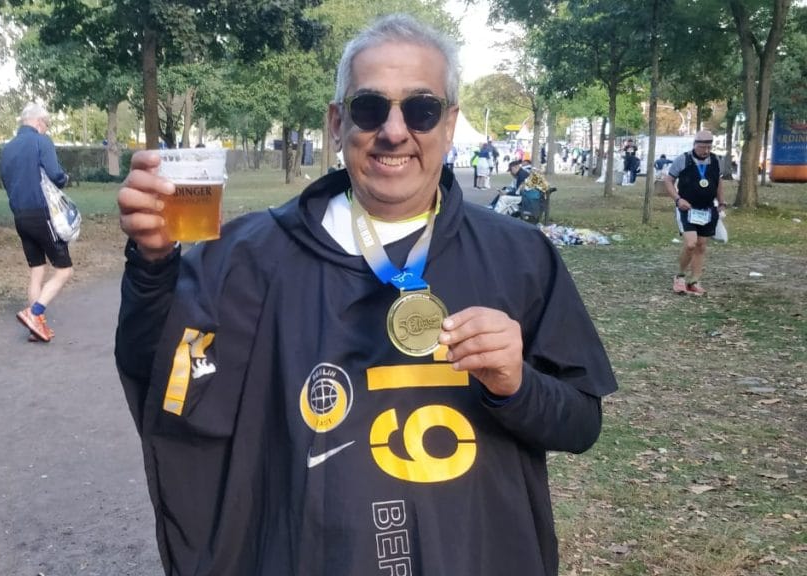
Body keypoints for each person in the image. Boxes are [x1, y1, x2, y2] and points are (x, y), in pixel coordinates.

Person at [115, 14, 617, 575]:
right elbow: (166, 381)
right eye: (370, 107)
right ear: (337, 122)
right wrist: (153, 264)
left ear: (450, 124)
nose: (394, 131)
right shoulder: (250, 256)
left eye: (421, 110)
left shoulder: (518, 256)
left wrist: (516, 384)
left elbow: (581, 422)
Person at [0, 102, 73, 342]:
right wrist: (64, 178)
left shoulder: (7, 148)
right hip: (42, 213)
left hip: (20, 215)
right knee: (64, 270)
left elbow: (6, 180)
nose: (46, 128)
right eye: (47, 124)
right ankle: (35, 312)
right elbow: (55, 174)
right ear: (39, 122)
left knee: (37, 270)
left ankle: (36, 328)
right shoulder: (41, 141)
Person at [664, 130, 725, 296]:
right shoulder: (683, 159)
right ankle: (680, 276)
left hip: (707, 209)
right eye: (702, 147)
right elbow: (668, 180)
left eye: (709, 147)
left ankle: (694, 281)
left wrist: (721, 202)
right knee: (691, 244)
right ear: (695, 144)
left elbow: (719, 182)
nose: (706, 150)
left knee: (701, 245)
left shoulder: (716, 160)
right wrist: (678, 199)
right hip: (687, 208)